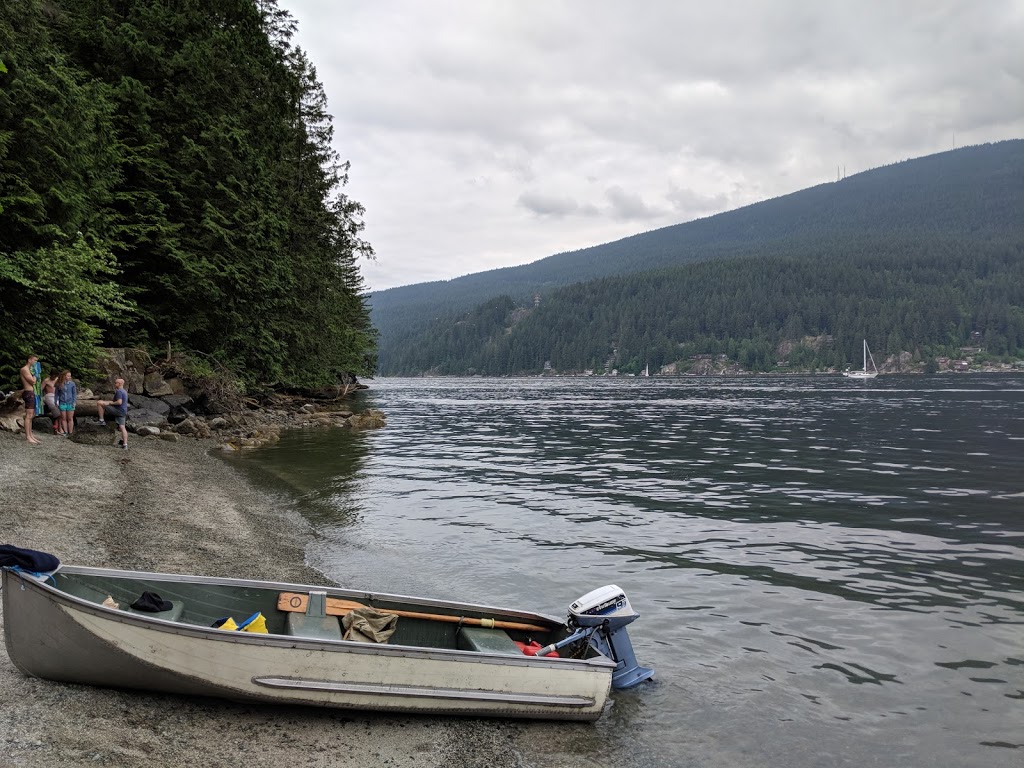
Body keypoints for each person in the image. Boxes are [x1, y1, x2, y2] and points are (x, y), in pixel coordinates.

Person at [94, 377, 129, 450]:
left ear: (119, 384)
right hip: (123, 411)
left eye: (116, 383)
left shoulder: (119, 391)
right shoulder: (124, 391)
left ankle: (101, 420)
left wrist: (110, 403)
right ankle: (125, 444)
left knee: (99, 403)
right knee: (122, 427)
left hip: (118, 410)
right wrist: (109, 402)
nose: (114, 384)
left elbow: (119, 402)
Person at [19, 354, 41, 444]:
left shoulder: (29, 369)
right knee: (28, 416)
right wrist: (35, 375)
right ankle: (28, 436)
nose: (36, 362)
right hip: (28, 392)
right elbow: (32, 381)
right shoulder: (24, 369)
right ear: (29, 360)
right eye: (35, 360)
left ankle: (30, 434)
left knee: (31, 415)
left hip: (31, 392)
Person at [55, 370, 77, 437]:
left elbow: (74, 394)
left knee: (70, 418)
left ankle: (70, 432)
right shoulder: (59, 384)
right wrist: (56, 401)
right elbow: (56, 394)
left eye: (70, 376)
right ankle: (65, 432)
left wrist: (74, 402)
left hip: (70, 403)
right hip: (62, 403)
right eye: (68, 376)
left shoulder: (72, 384)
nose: (69, 377)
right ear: (64, 376)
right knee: (63, 418)